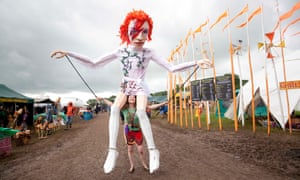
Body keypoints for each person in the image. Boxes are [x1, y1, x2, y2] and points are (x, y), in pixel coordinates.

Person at [51, 9, 212, 174]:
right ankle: (112, 151)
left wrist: (196, 62)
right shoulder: (120, 51)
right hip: (125, 85)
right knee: (114, 109)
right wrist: (68, 53)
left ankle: (153, 150)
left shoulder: (149, 52)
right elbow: (94, 62)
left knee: (141, 112)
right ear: (127, 32)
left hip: (140, 85)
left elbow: (171, 68)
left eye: (145, 32)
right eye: (136, 31)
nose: (141, 37)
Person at [99, 95, 167, 173]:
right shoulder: (124, 108)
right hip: (128, 132)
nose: (132, 98)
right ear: (127, 99)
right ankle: (132, 165)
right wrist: (103, 99)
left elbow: (151, 107)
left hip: (138, 131)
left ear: (136, 99)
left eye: (134, 97)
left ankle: (144, 164)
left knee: (140, 150)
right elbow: (112, 104)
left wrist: (163, 103)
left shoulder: (140, 108)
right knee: (130, 150)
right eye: (130, 97)